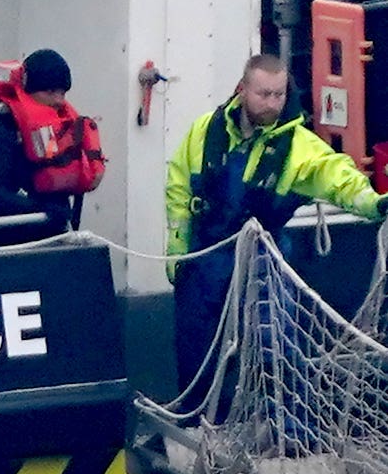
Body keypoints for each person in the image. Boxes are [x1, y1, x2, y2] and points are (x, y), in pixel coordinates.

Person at [166, 53, 388, 390]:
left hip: (263, 255)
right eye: (263, 94)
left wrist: (373, 203)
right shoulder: (205, 131)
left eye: (278, 95)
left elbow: (337, 177)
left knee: (276, 341)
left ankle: (287, 430)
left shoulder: (298, 146)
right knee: (196, 341)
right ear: (242, 90)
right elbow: (179, 185)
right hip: (206, 253)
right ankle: (197, 420)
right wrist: (177, 245)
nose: (272, 103)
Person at [0, 49, 103, 248]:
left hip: (49, 235)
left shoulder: (56, 125)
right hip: (2, 243)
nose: (58, 100)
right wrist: (44, 211)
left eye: (62, 92)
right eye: (50, 91)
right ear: (28, 89)